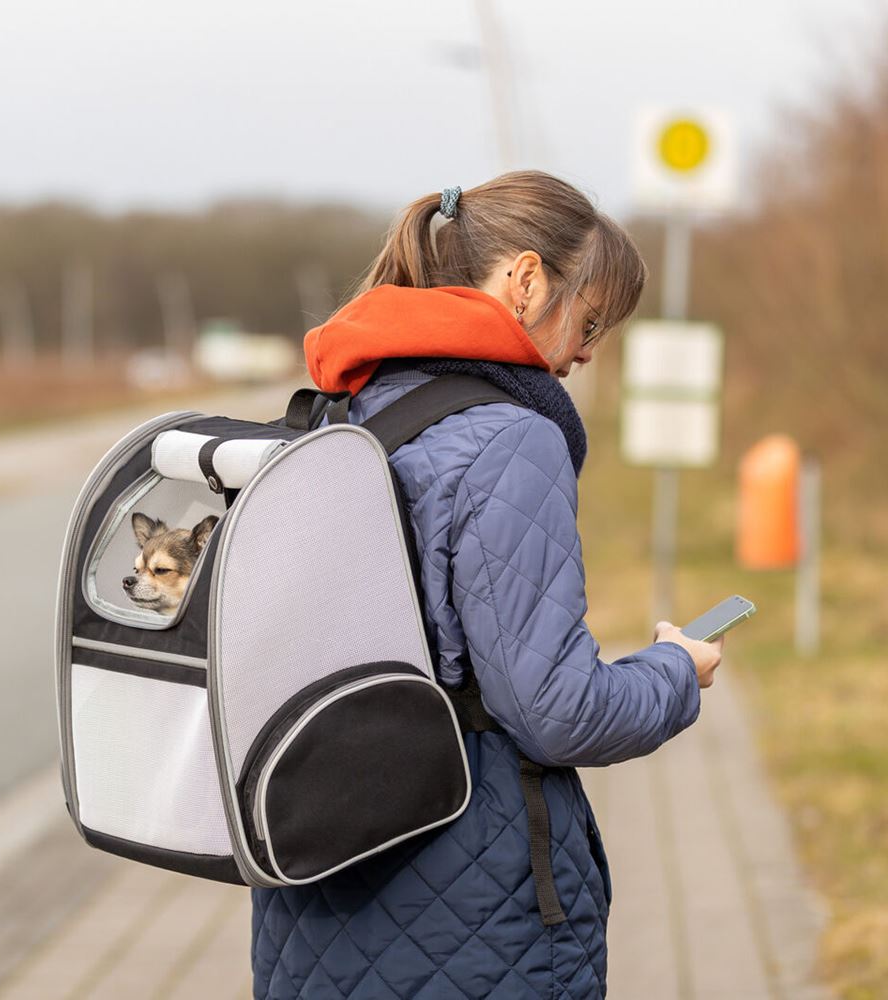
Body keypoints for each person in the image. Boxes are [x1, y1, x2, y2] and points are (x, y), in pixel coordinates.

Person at [251, 170, 724, 999]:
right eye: (590, 320)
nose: (585, 352)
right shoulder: (511, 440)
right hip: (471, 902)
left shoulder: (336, 412)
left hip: (310, 881)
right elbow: (558, 714)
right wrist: (677, 672)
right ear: (528, 279)